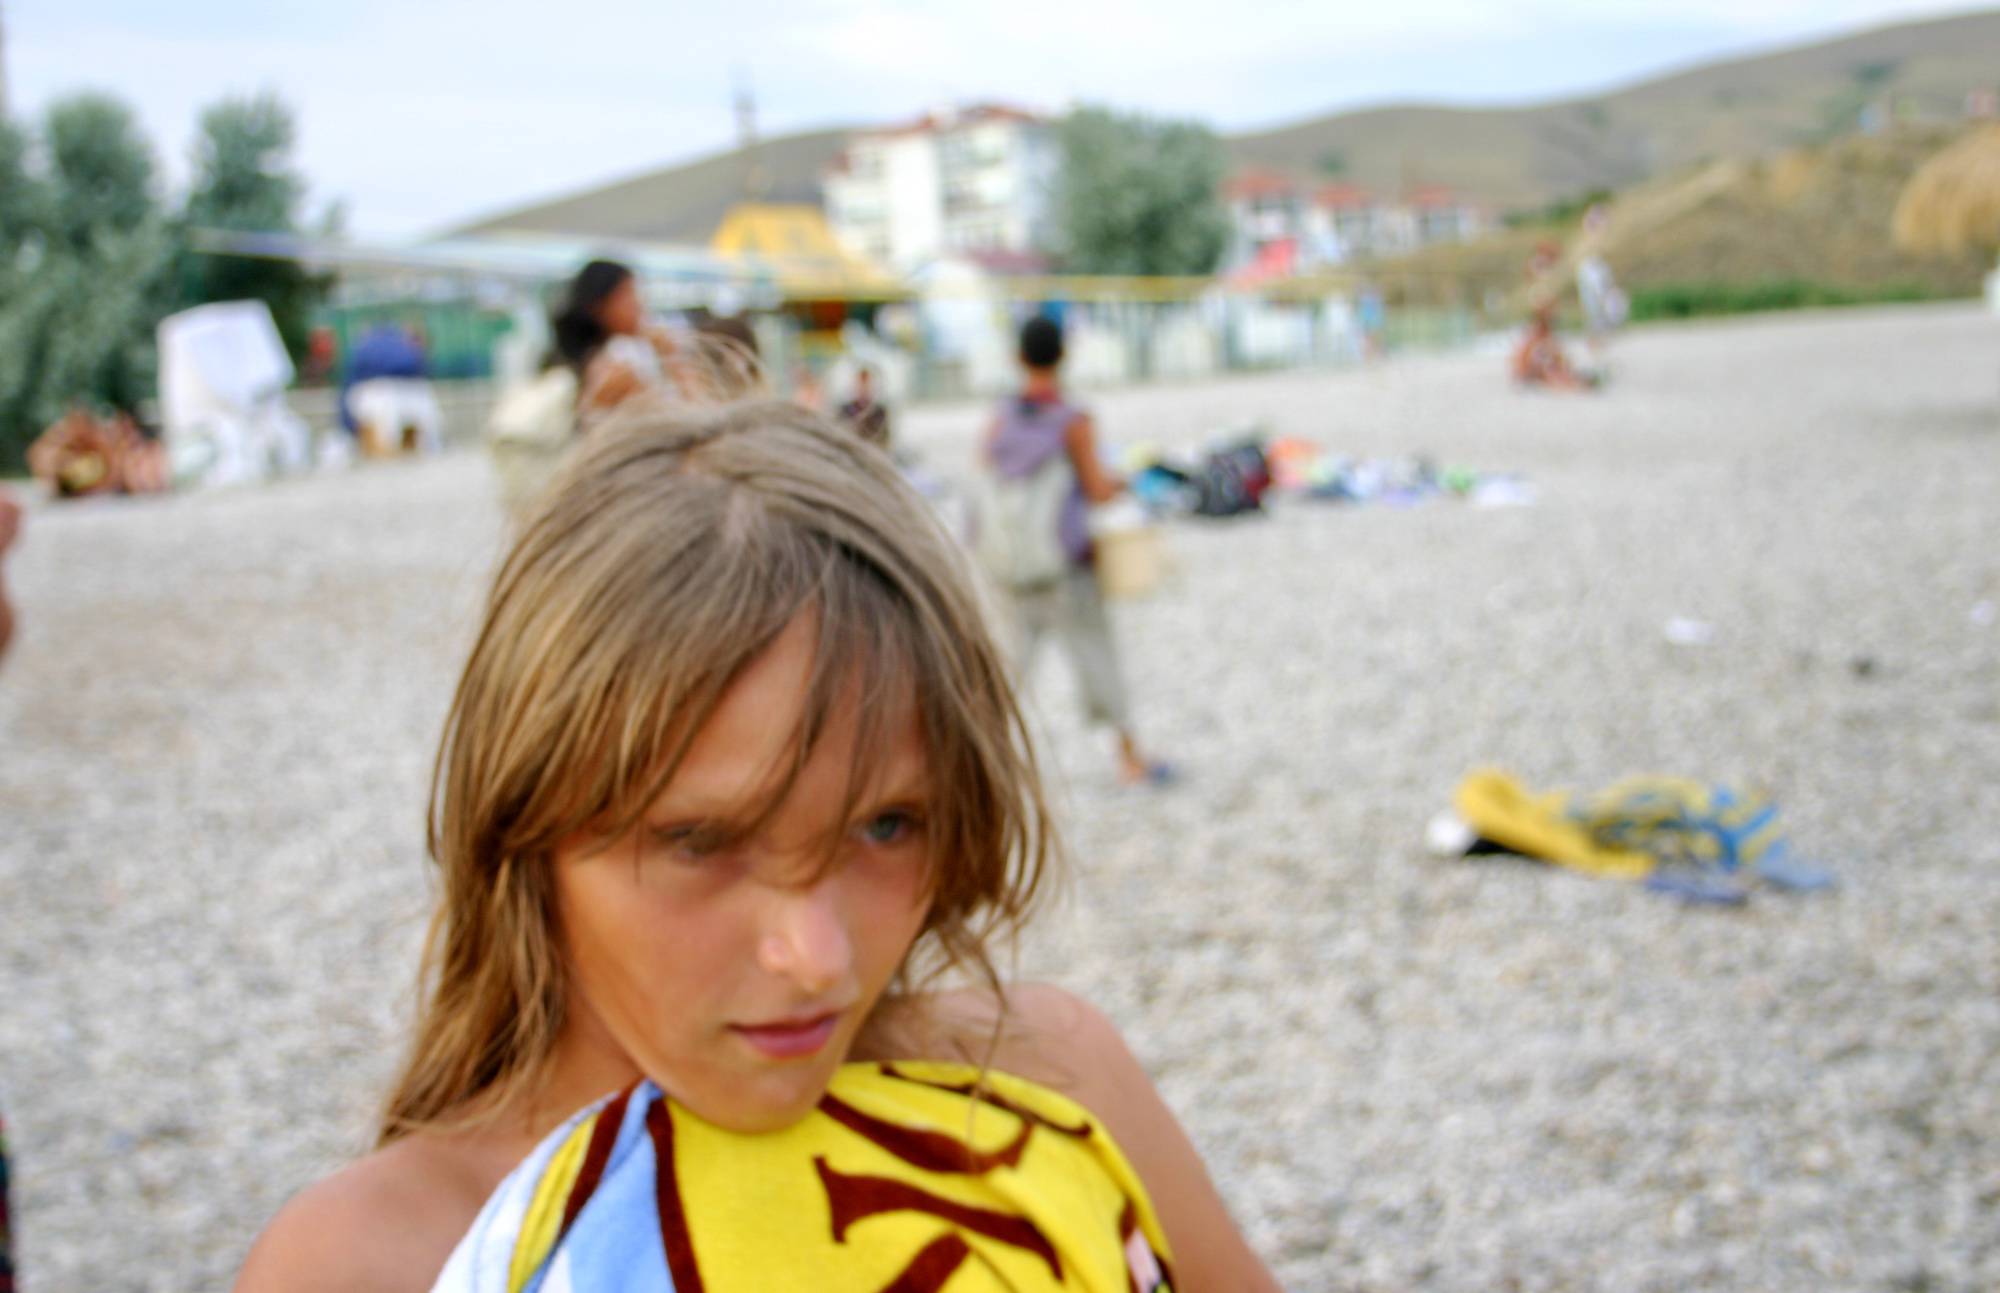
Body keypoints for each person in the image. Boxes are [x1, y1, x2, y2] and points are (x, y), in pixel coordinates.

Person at [235, 400, 1277, 1291]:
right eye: (700, 842)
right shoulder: (381, 1261)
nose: (816, 958)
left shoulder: (1046, 1082)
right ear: (522, 820)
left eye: (884, 826)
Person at [983, 316, 1169, 787]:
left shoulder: (1000, 420)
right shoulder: (1074, 422)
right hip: (1065, 563)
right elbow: (1097, 489)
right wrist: (1125, 482)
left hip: (1012, 562)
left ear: (1018, 358)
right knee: (1096, 656)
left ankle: (977, 762)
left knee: (1007, 671)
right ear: (1062, 357)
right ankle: (1129, 759)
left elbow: (989, 477)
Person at [551, 259, 687, 419]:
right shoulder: (614, 369)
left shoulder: (595, 359)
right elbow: (680, 418)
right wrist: (672, 360)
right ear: (600, 305)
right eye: (628, 294)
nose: (638, 304)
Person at [837, 366, 891, 450]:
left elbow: (884, 440)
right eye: (860, 385)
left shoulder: (879, 413)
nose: (863, 389)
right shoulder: (845, 411)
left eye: (866, 385)